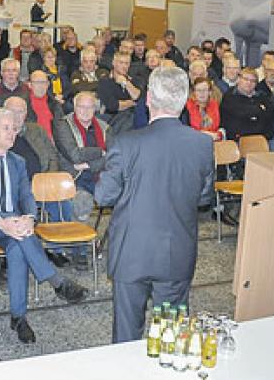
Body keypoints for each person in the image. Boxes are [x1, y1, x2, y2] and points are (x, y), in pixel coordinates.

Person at [95, 67, 214, 343]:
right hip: (177, 250)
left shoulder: (125, 143)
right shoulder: (202, 144)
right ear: (186, 101)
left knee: (127, 336)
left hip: (132, 251)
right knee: (171, 336)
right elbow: (204, 199)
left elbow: (103, 196)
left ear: (148, 99)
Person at [0, 108, 88, 344]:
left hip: (14, 225)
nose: (13, 133)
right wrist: (2, 222)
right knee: (20, 237)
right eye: (6, 128)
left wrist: (30, 217)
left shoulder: (17, 161)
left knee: (18, 247)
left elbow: (26, 194)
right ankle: (57, 282)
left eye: (14, 128)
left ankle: (19, 316)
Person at [53, 91, 112, 196]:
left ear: (95, 109)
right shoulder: (63, 125)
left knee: (125, 195)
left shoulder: (105, 128)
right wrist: (100, 151)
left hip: (102, 176)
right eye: (82, 106)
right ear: (75, 107)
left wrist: (88, 165)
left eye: (90, 107)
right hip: (74, 178)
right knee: (82, 201)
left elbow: (112, 157)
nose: (86, 111)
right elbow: (75, 155)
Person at [4, 97, 60, 178]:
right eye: (12, 111)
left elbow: (53, 157)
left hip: (42, 181)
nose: (16, 116)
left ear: (25, 114)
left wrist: (49, 177)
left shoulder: (37, 130)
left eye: (20, 112)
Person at [219, 67, 274, 142]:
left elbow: (271, 114)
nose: (249, 83)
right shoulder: (230, 96)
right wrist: (259, 109)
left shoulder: (262, 96)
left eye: (253, 81)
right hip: (238, 139)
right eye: (246, 79)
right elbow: (240, 113)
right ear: (239, 79)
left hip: (263, 138)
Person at [97, 52, 140, 134]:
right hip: (113, 118)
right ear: (114, 63)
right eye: (121, 63)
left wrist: (126, 83)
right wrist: (131, 103)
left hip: (133, 118)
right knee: (127, 116)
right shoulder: (104, 81)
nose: (124, 66)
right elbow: (113, 106)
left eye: (126, 63)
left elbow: (137, 97)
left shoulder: (134, 80)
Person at [25, 70, 63, 137]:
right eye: (37, 82)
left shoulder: (55, 104)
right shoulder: (23, 105)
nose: (41, 86)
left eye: (43, 82)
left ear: (48, 84)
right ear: (29, 85)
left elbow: (61, 128)